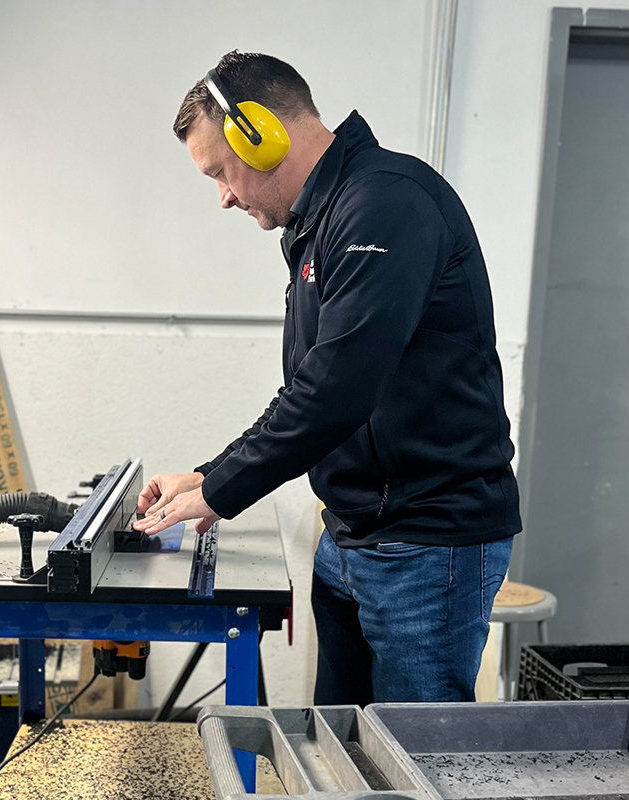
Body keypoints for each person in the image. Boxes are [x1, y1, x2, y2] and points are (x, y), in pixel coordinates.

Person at [131, 51, 521, 704]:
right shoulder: (326, 223)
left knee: (414, 760)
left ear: (260, 136)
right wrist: (209, 475)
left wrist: (224, 491)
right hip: (354, 533)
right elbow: (308, 389)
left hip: (425, 544)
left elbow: (336, 391)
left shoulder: (388, 205)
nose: (223, 197)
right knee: (343, 750)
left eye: (220, 173)